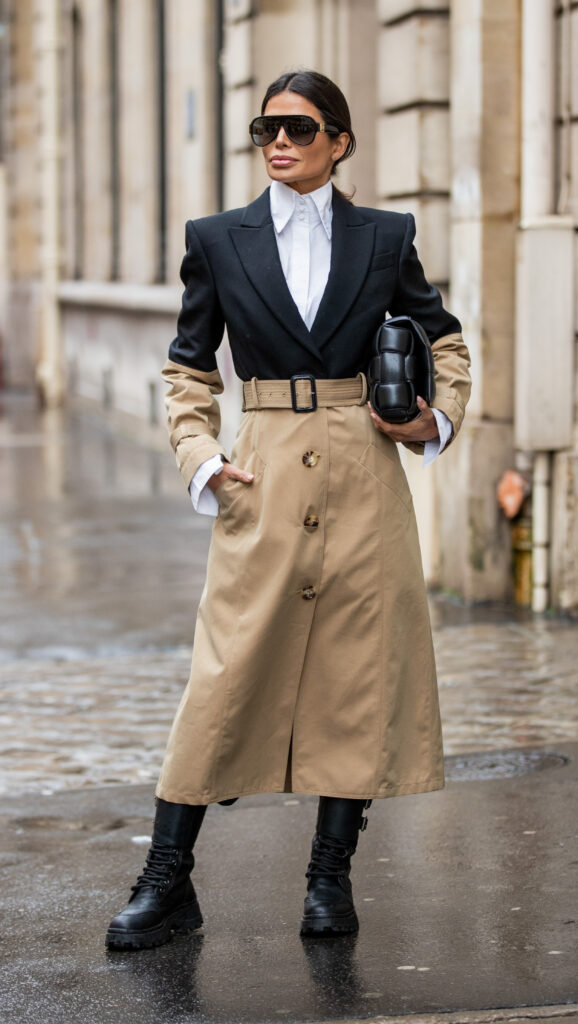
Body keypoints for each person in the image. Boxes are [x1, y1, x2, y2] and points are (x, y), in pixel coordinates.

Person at [105, 70, 471, 951]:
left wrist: (435, 415)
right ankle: (167, 881)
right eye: (267, 127)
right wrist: (202, 461)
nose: (279, 141)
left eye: (300, 129)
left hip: (362, 475)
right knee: (222, 678)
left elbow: (444, 336)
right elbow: (188, 368)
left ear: (338, 142)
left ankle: (328, 882)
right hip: (260, 475)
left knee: (357, 676)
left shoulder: (386, 236)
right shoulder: (218, 240)